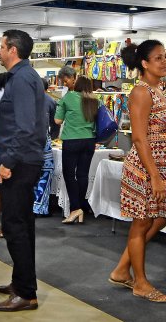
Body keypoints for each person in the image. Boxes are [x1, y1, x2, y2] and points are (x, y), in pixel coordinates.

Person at [109, 40, 166, 303]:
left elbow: (160, 134)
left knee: (155, 219)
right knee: (141, 223)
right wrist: (156, 176)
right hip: (147, 168)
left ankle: (121, 270)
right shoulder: (141, 92)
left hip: (161, 164)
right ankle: (139, 282)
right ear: (145, 64)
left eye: (165, 57)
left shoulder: (158, 90)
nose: (164, 62)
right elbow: (139, 138)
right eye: (158, 58)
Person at [0, 29, 48, 312]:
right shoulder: (23, 77)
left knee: (16, 227)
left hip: (20, 163)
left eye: (1, 47)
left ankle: (26, 292)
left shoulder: (23, 78)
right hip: (22, 160)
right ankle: (22, 281)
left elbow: (25, 127)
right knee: (21, 225)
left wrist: (7, 162)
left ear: (12, 50)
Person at [54, 75, 99, 224]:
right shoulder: (94, 100)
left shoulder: (69, 97)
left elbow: (57, 120)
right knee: (82, 174)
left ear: (76, 84)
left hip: (72, 140)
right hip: (89, 140)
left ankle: (75, 208)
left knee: (68, 174)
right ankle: (81, 208)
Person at [33, 79, 58, 216]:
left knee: (30, 172)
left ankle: (29, 206)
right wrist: (53, 137)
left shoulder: (27, 99)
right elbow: (55, 123)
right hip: (43, 139)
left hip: (28, 141)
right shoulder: (50, 101)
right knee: (46, 172)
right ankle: (40, 207)